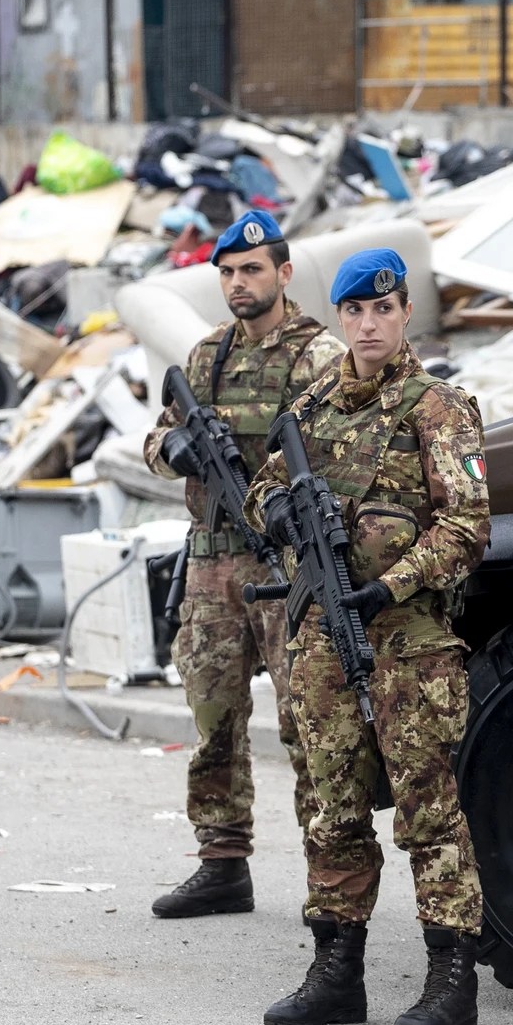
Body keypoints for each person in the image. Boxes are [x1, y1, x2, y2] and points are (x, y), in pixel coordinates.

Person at [245, 248, 488, 1025]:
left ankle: (451, 983)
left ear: (404, 312)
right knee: (331, 805)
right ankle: (335, 970)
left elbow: (468, 525)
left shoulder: (438, 406)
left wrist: (392, 583)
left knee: (429, 812)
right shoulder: (313, 403)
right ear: (341, 317)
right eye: (355, 311)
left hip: (409, 640)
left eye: (383, 310)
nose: (368, 323)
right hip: (320, 639)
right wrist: (277, 511)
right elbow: (259, 489)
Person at [143, 210, 346, 919]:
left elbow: (334, 453)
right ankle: (222, 861)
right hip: (211, 566)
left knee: (308, 721)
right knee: (213, 715)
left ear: (284, 273)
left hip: (286, 565)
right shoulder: (207, 358)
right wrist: (175, 451)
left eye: (252, 269)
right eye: (227, 272)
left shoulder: (319, 356)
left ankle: (331, 874)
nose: (238, 283)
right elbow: (159, 436)